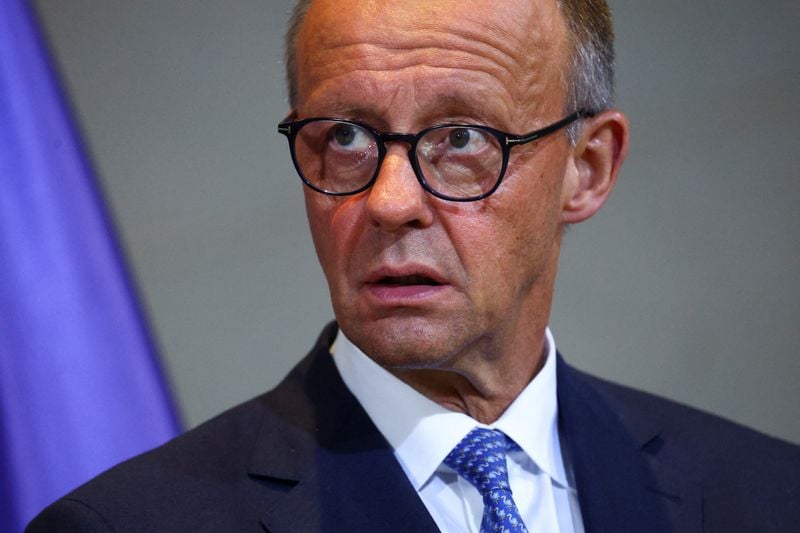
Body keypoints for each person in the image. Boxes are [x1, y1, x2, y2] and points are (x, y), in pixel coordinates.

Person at [27, 0, 800, 531]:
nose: (390, 201)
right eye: (345, 136)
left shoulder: (770, 496)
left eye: (462, 138)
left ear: (587, 168)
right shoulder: (127, 524)